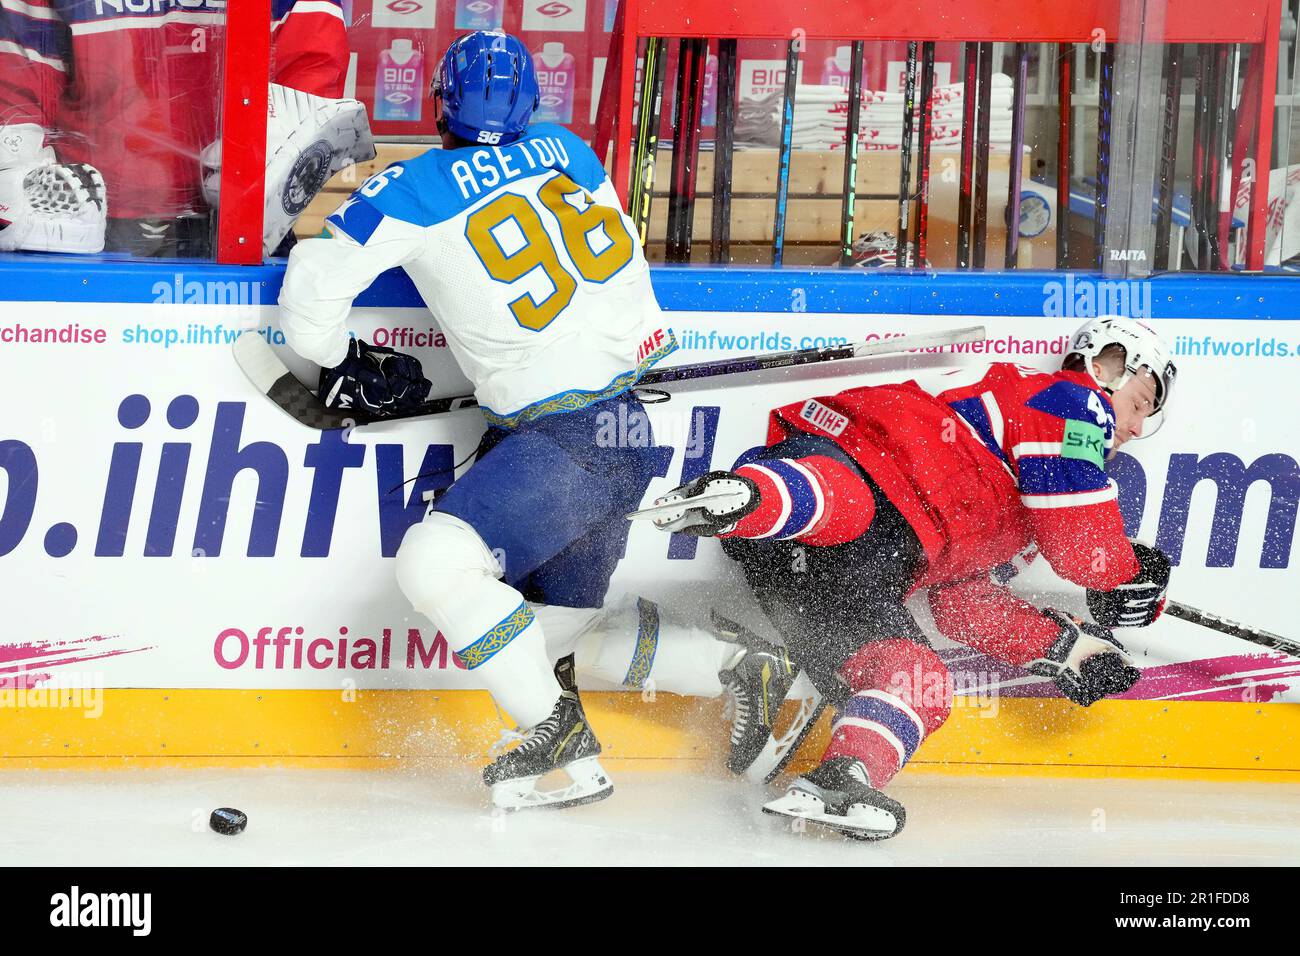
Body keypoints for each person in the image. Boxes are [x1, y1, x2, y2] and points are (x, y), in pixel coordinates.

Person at [278, 31, 676, 811]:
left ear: (437, 108)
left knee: (435, 567)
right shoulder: (573, 152)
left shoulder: (414, 188)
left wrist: (339, 361)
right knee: (549, 636)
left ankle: (555, 733)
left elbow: (307, 299)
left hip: (567, 445)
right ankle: (739, 668)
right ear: (534, 106)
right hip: (625, 433)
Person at [627, 316, 1176, 840]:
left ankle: (841, 782)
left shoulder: (1025, 520)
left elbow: (962, 606)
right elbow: (1085, 551)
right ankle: (749, 499)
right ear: (1107, 364)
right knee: (850, 505)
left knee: (920, 679)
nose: (1134, 426)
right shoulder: (1071, 399)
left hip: (829, 576)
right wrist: (1129, 576)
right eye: (1139, 403)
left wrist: (1069, 649)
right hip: (875, 468)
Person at [0, 0, 355, 256]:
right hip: (87, 223)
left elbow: (308, 81)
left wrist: (267, 162)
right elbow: (17, 79)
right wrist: (24, 182)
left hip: (240, 228)